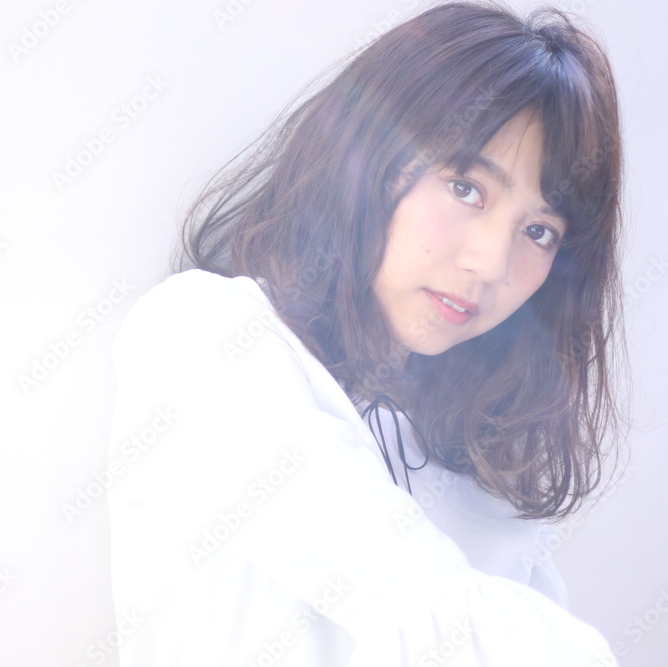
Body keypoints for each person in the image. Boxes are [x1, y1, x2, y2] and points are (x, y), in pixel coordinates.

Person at [105, 1, 628, 664]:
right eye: (465, 188)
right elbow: (418, 604)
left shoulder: (486, 484)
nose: (491, 263)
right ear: (370, 158)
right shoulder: (205, 335)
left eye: (538, 231)